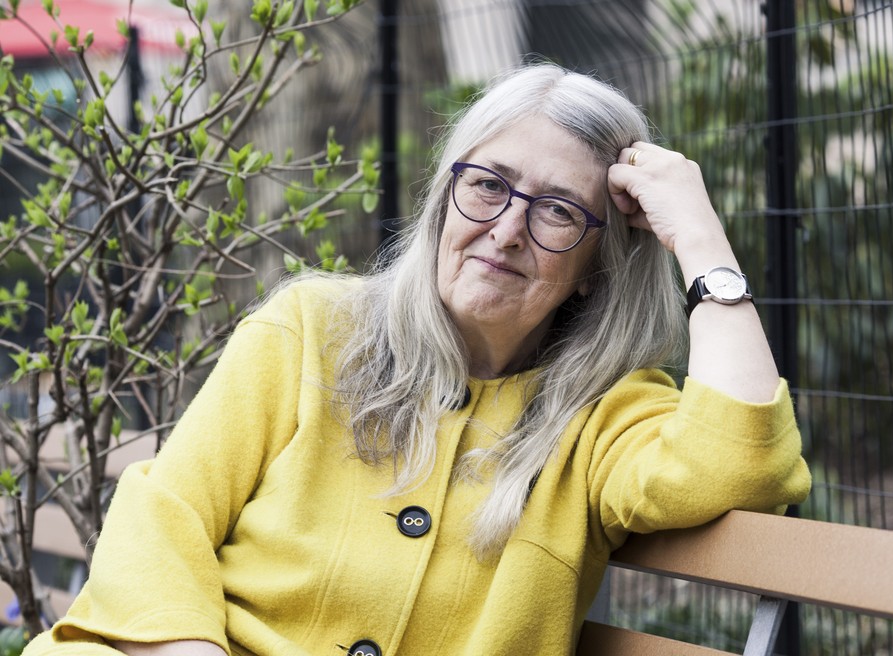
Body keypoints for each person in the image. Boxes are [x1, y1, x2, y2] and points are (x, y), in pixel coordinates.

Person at [24, 64, 811, 656]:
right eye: (490, 186)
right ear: (444, 197)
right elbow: (166, 515)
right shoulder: (314, 328)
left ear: (595, 270)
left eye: (560, 213)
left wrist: (701, 239)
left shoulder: (602, 416)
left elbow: (738, 464)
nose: (506, 230)